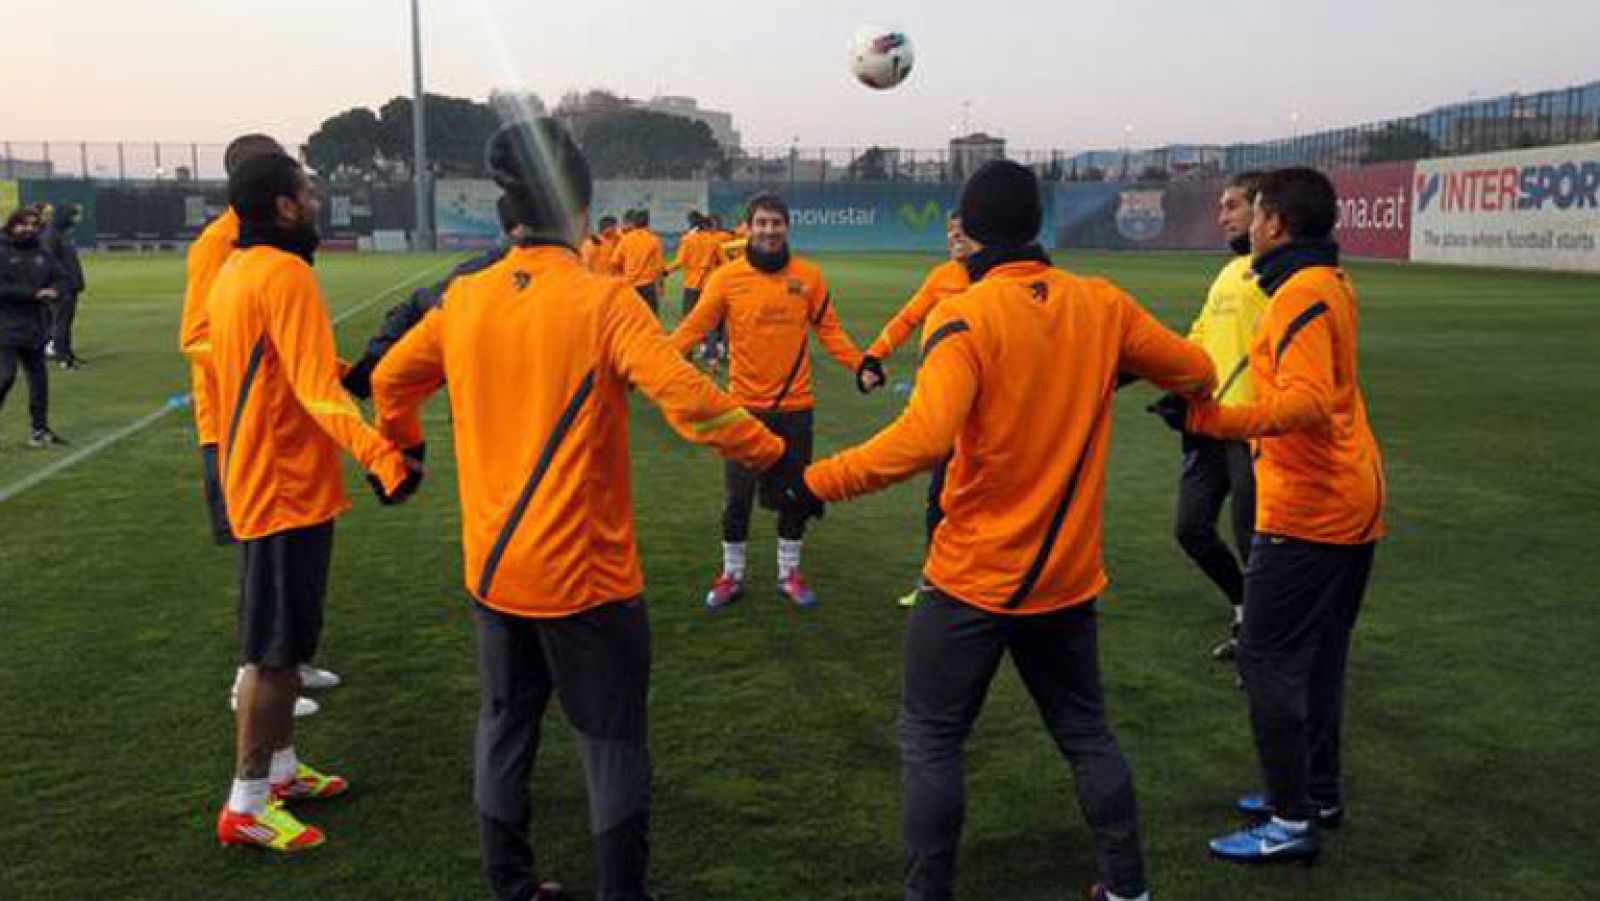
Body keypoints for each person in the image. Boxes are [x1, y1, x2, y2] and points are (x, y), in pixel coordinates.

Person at [778, 160, 1216, 901]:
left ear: (970, 232)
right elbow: (1197, 370)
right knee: (1086, 734)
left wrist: (813, 483)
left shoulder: (967, 314)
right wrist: (1110, 370)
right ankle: (1128, 886)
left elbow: (923, 438)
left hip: (972, 577)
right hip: (1065, 580)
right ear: (1036, 226)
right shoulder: (1098, 304)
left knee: (931, 740)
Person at [371, 119, 785, 901]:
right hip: (588, 583)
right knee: (611, 745)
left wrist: (407, 449)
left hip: (494, 572)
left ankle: (513, 887)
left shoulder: (463, 299)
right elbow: (690, 400)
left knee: (504, 727)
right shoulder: (606, 303)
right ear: (583, 217)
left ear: (506, 218)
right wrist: (772, 456)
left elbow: (392, 380)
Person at [208, 151, 418, 852]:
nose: (317, 200)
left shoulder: (237, 269)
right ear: (285, 205)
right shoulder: (285, 271)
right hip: (280, 485)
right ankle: (245, 803)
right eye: (308, 191)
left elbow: (287, 364)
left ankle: (283, 772)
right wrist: (385, 458)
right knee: (272, 655)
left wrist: (347, 369)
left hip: (270, 476)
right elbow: (311, 391)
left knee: (289, 647)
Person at [1180, 167, 1386, 863]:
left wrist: (1215, 419)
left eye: (1255, 213)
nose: (1249, 224)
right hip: (1352, 496)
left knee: (1267, 657)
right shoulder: (1330, 283)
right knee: (1322, 656)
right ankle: (1315, 792)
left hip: (1310, 507)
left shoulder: (1300, 292)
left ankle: (1291, 817)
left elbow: (1304, 403)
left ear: (1275, 224)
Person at [177, 133, 338, 718]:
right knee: (262, 559)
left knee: (288, 564)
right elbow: (197, 334)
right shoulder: (217, 247)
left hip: (279, 421)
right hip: (234, 422)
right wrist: (256, 362)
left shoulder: (276, 253)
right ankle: (251, 674)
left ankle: (287, 666)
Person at [669, 192, 867, 609]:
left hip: (796, 407)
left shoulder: (809, 277)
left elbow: (829, 330)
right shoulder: (726, 279)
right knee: (737, 497)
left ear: (787, 227)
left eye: (776, 223)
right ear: (748, 228)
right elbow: (695, 326)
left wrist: (860, 365)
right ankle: (731, 575)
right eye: (761, 222)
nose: (769, 230)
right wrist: (656, 360)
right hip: (742, 409)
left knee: (794, 493)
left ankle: (789, 574)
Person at [1157, 171, 1269, 660]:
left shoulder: (1279, 276)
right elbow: (1198, 338)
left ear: (1263, 211)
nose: (1222, 216)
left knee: (1253, 541)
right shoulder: (1227, 273)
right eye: (1222, 207)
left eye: (1233, 206)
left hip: (1251, 428)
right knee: (1192, 528)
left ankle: (1262, 643)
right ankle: (1246, 605)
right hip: (1207, 423)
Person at [857, 211, 975, 606]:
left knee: (984, 497)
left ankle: (990, 583)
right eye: (950, 232)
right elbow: (908, 318)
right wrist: (874, 355)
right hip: (947, 407)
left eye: (963, 231)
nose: (955, 237)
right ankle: (935, 581)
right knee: (940, 497)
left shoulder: (999, 280)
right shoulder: (942, 277)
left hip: (994, 409)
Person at [0, 207, 65, 448]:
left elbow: (60, 276)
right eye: (23, 224)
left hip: (35, 326)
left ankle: (40, 430)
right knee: (5, 377)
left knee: (39, 380)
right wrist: (33, 293)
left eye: (33, 225)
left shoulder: (41, 251)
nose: (28, 229)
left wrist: (56, 290)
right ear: (12, 225)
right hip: (5, 325)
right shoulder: (2, 251)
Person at [662, 210, 725, 360]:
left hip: (692, 286)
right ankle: (712, 357)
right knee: (710, 321)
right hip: (709, 285)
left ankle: (687, 354)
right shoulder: (713, 240)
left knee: (689, 322)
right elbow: (724, 263)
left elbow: (679, 261)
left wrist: (665, 271)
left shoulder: (687, 240)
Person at [41, 203, 87, 369]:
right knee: (60, 323)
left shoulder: (61, 234)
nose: (77, 219)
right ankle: (62, 358)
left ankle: (68, 353)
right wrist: (58, 284)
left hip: (70, 286)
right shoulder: (51, 235)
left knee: (66, 323)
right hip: (61, 287)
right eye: (74, 215)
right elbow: (48, 262)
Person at [613, 209, 664, 314]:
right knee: (650, 316)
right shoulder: (654, 240)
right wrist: (660, 286)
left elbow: (615, 262)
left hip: (630, 285)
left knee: (631, 317)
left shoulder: (626, 239)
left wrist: (622, 276)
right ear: (648, 222)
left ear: (634, 223)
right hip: (648, 285)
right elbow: (658, 267)